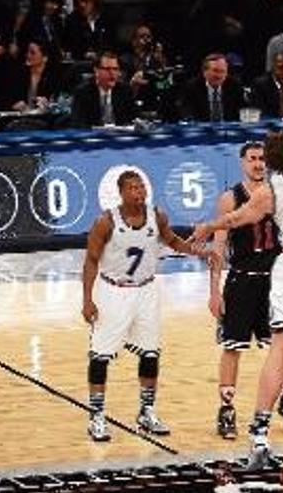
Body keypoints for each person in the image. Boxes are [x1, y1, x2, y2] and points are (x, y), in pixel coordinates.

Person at [192, 20, 283, 479]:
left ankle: (258, 436)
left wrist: (206, 226)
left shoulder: (269, 190)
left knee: (279, 348)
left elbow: (235, 220)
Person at [81, 170, 208, 442]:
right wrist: (87, 299)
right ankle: (97, 416)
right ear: (122, 193)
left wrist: (198, 252)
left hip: (146, 290)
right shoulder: (105, 222)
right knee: (100, 355)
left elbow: (172, 240)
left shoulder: (157, 216)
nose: (139, 193)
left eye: (142, 188)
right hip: (113, 291)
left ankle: (147, 410)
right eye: (133, 188)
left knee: (150, 353)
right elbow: (91, 260)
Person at [209, 141, 283, 440]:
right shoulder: (230, 198)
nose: (259, 164)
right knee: (232, 347)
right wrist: (214, 291)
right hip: (242, 279)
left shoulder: (281, 193)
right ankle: (226, 410)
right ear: (242, 163)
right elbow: (219, 246)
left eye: (262, 159)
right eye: (252, 159)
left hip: (276, 282)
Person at [71, 51, 135, 127]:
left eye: (115, 69)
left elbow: (132, 119)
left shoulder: (124, 90)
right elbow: (78, 124)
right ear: (96, 70)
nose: (112, 73)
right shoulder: (83, 92)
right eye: (107, 69)